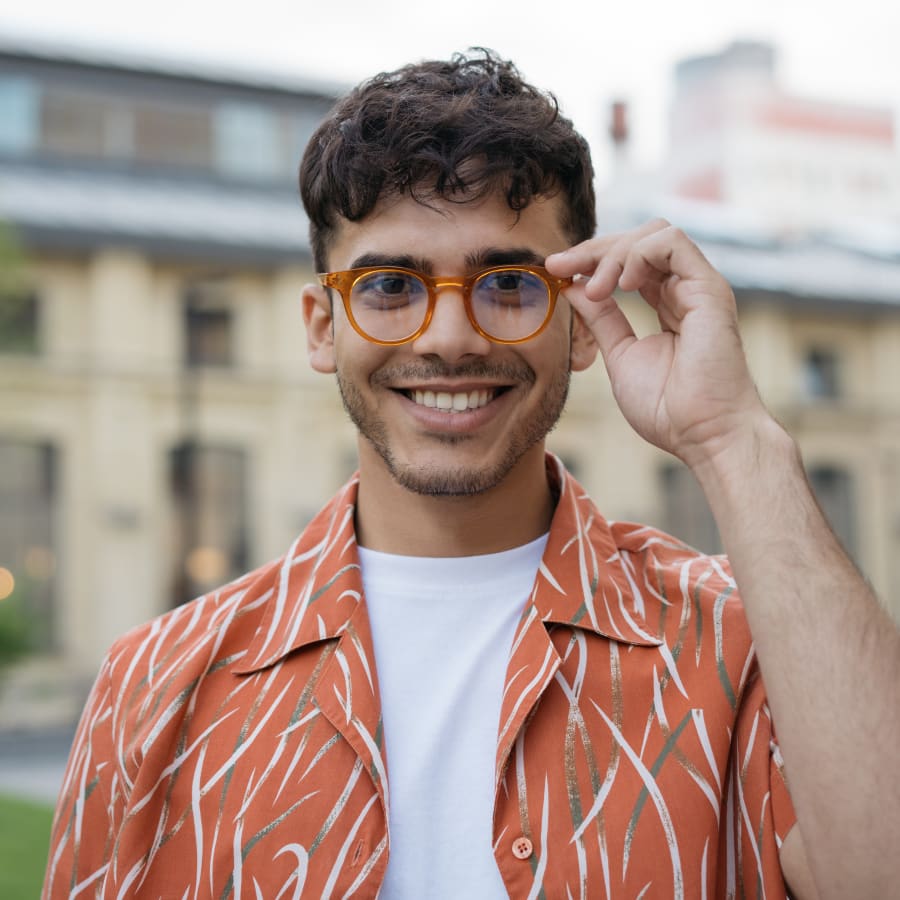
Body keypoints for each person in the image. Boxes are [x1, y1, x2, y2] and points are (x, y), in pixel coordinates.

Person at [44, 50, 899, 899]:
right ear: (320, 326)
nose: (450, 337)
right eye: (387, 286)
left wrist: (731, 436)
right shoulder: (154, 683)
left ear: (579, 324)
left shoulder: (745, 647)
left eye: (508, 283)